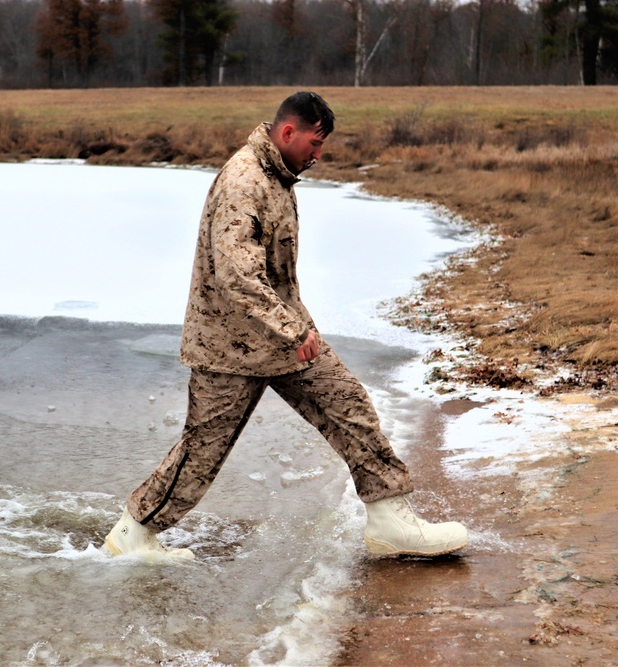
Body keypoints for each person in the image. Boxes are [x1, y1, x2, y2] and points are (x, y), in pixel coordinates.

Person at [104, 92, 468, 561]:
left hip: (283, 342)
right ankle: (132, 536)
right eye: (315, 143)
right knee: (202, 453)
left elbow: (276, 275)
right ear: (288, 132)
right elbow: (239, 276)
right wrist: (295, 331)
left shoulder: (279, 177)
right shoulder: (244, 182)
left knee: (349, 405)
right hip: (228, 350)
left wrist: (299, 330)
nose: (319, 154)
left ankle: (389, 520)